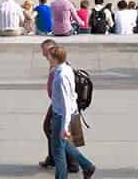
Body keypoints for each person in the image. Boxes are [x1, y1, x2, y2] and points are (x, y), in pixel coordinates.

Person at [46, 43, 96, 179]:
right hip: (63, 113)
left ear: (55, 58)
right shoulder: (66, 69)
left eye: (49, 56)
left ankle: (62, 176)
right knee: (62, 143)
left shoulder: (61, 76)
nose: (47, 58)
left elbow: (66, 104)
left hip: (61, 115)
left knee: (58, 150)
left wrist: (64, 126)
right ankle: (87, 166)